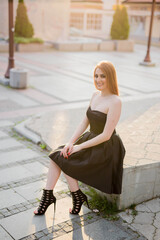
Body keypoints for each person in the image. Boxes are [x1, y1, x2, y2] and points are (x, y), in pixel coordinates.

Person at [34, 61, 126, 215]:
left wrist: (79, 147)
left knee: (67, 158)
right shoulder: (95, 95)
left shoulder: (115, 101)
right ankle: (52, 196)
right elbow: (85, 121)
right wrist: (71, 142)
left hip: (105, 146)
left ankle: (76, 197)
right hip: (90, 138)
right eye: (96, 76)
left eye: (102, 76)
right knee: (58, 154)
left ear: (110, 77)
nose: (98, 80)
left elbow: (106, 135)